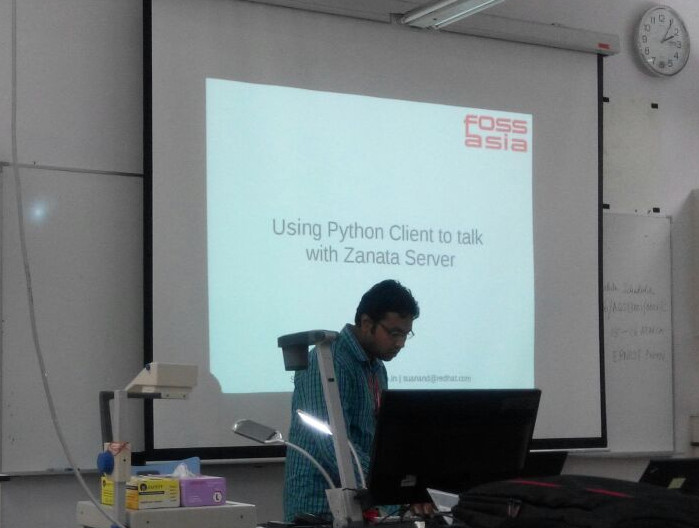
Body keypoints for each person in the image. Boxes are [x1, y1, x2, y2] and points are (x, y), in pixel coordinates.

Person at [283, 279, 420, 522]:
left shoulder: (376, 367)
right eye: (394, 333)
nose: (400, 343)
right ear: (367, 323)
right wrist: (390, 486)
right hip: (319, 507)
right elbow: (333, 444)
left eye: (406, 334)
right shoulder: (328, 361)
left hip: (360, 505)